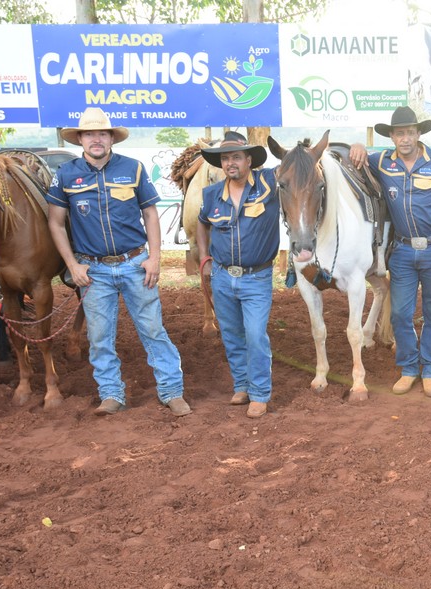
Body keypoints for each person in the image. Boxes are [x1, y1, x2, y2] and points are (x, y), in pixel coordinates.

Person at [46, 107, 190, 416]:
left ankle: (171, 391)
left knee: (153, 330)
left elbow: (150, 213)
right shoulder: (66, 175)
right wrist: (72, 265)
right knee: (98, 336)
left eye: (102, 133)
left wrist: (155, 258)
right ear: (80, 139)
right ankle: (111, 394)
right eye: (89, 134)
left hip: (135, 263)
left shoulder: (133, 169)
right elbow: (56, 223)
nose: (95, 139)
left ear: (111, 138)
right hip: (94, 269)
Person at [350, 106, 431, 397]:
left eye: (410, 132)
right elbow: (354, 160)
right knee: (400, 314)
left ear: (418, 134)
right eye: (399, 133)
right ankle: (409, 368)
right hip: (401, 251)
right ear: (392, 137)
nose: (405, 138)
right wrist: (358, 146)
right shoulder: (382, 162)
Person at [195, 131, 280, 418]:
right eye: (225, 158)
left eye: (235, 157)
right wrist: (204, 257)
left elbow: (300, 163)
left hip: (256, 277)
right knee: (231, 334)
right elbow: (202, 224)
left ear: (248, 160)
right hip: (221, 276)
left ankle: (259, 393)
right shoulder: (211, 195)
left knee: (255, 334)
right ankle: (242, 385)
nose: (230, 163)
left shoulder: (270, 182)